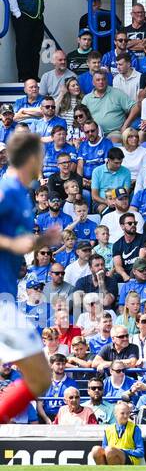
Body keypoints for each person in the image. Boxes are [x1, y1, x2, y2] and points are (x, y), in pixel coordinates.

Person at [0, 132, 62, 423]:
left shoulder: (22, 194)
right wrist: (16, 245)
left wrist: (39, 242)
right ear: (32, 157)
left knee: (40, 378)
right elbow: (13, 242)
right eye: (42, 154)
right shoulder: (6, 190)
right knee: (40, 377)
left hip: (6, 297)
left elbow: (19, 241)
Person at [5, 0, 45, 83]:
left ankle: (33, 75)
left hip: (38, 17)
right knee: (23, 47)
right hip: (23, 18)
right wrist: (18, 15)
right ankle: (24, 76)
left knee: (35, 48)